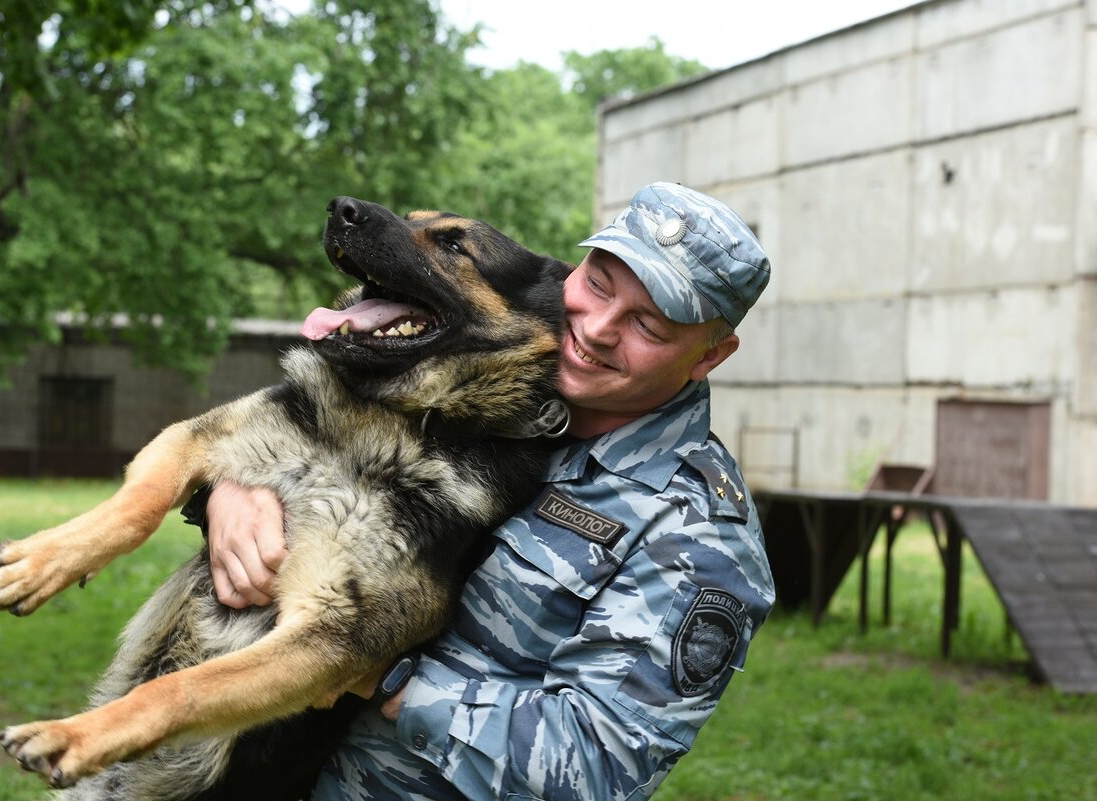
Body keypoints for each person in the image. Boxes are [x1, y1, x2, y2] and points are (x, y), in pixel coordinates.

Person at [204, 182, 776, 799]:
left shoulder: (697, 537)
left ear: (710, 356)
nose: (598, 328)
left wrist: (382, 672)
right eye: (598, 284)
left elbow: (593, 768)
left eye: (648, 325)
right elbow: (310, 446)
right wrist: (230, 491)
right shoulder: (486, 389)